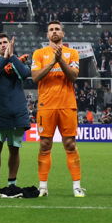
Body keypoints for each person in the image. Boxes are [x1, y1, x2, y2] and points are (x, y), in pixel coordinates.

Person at [31, 20, 85, 197]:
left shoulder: (72, 53)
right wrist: (52, 61)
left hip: (67, 105)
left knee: (70, 144)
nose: (54, 32)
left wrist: (60, 59)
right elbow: (35, 77)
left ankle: (77, 186)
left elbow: (73, 76)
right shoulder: (39, 53)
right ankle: (43, 187)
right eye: (51, 30)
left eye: (57, 29)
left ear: (63, 34)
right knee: (45, 145)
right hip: (46, 106)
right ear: (47, 35)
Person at [0, 33, 31, 195]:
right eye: (0, 43)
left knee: (14, 150)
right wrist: (5, 58)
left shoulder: (17, 61)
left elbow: (25, 74)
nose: (3, 44)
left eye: (5, 42)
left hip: (17, 113)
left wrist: (12, 57)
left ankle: (12, 183)